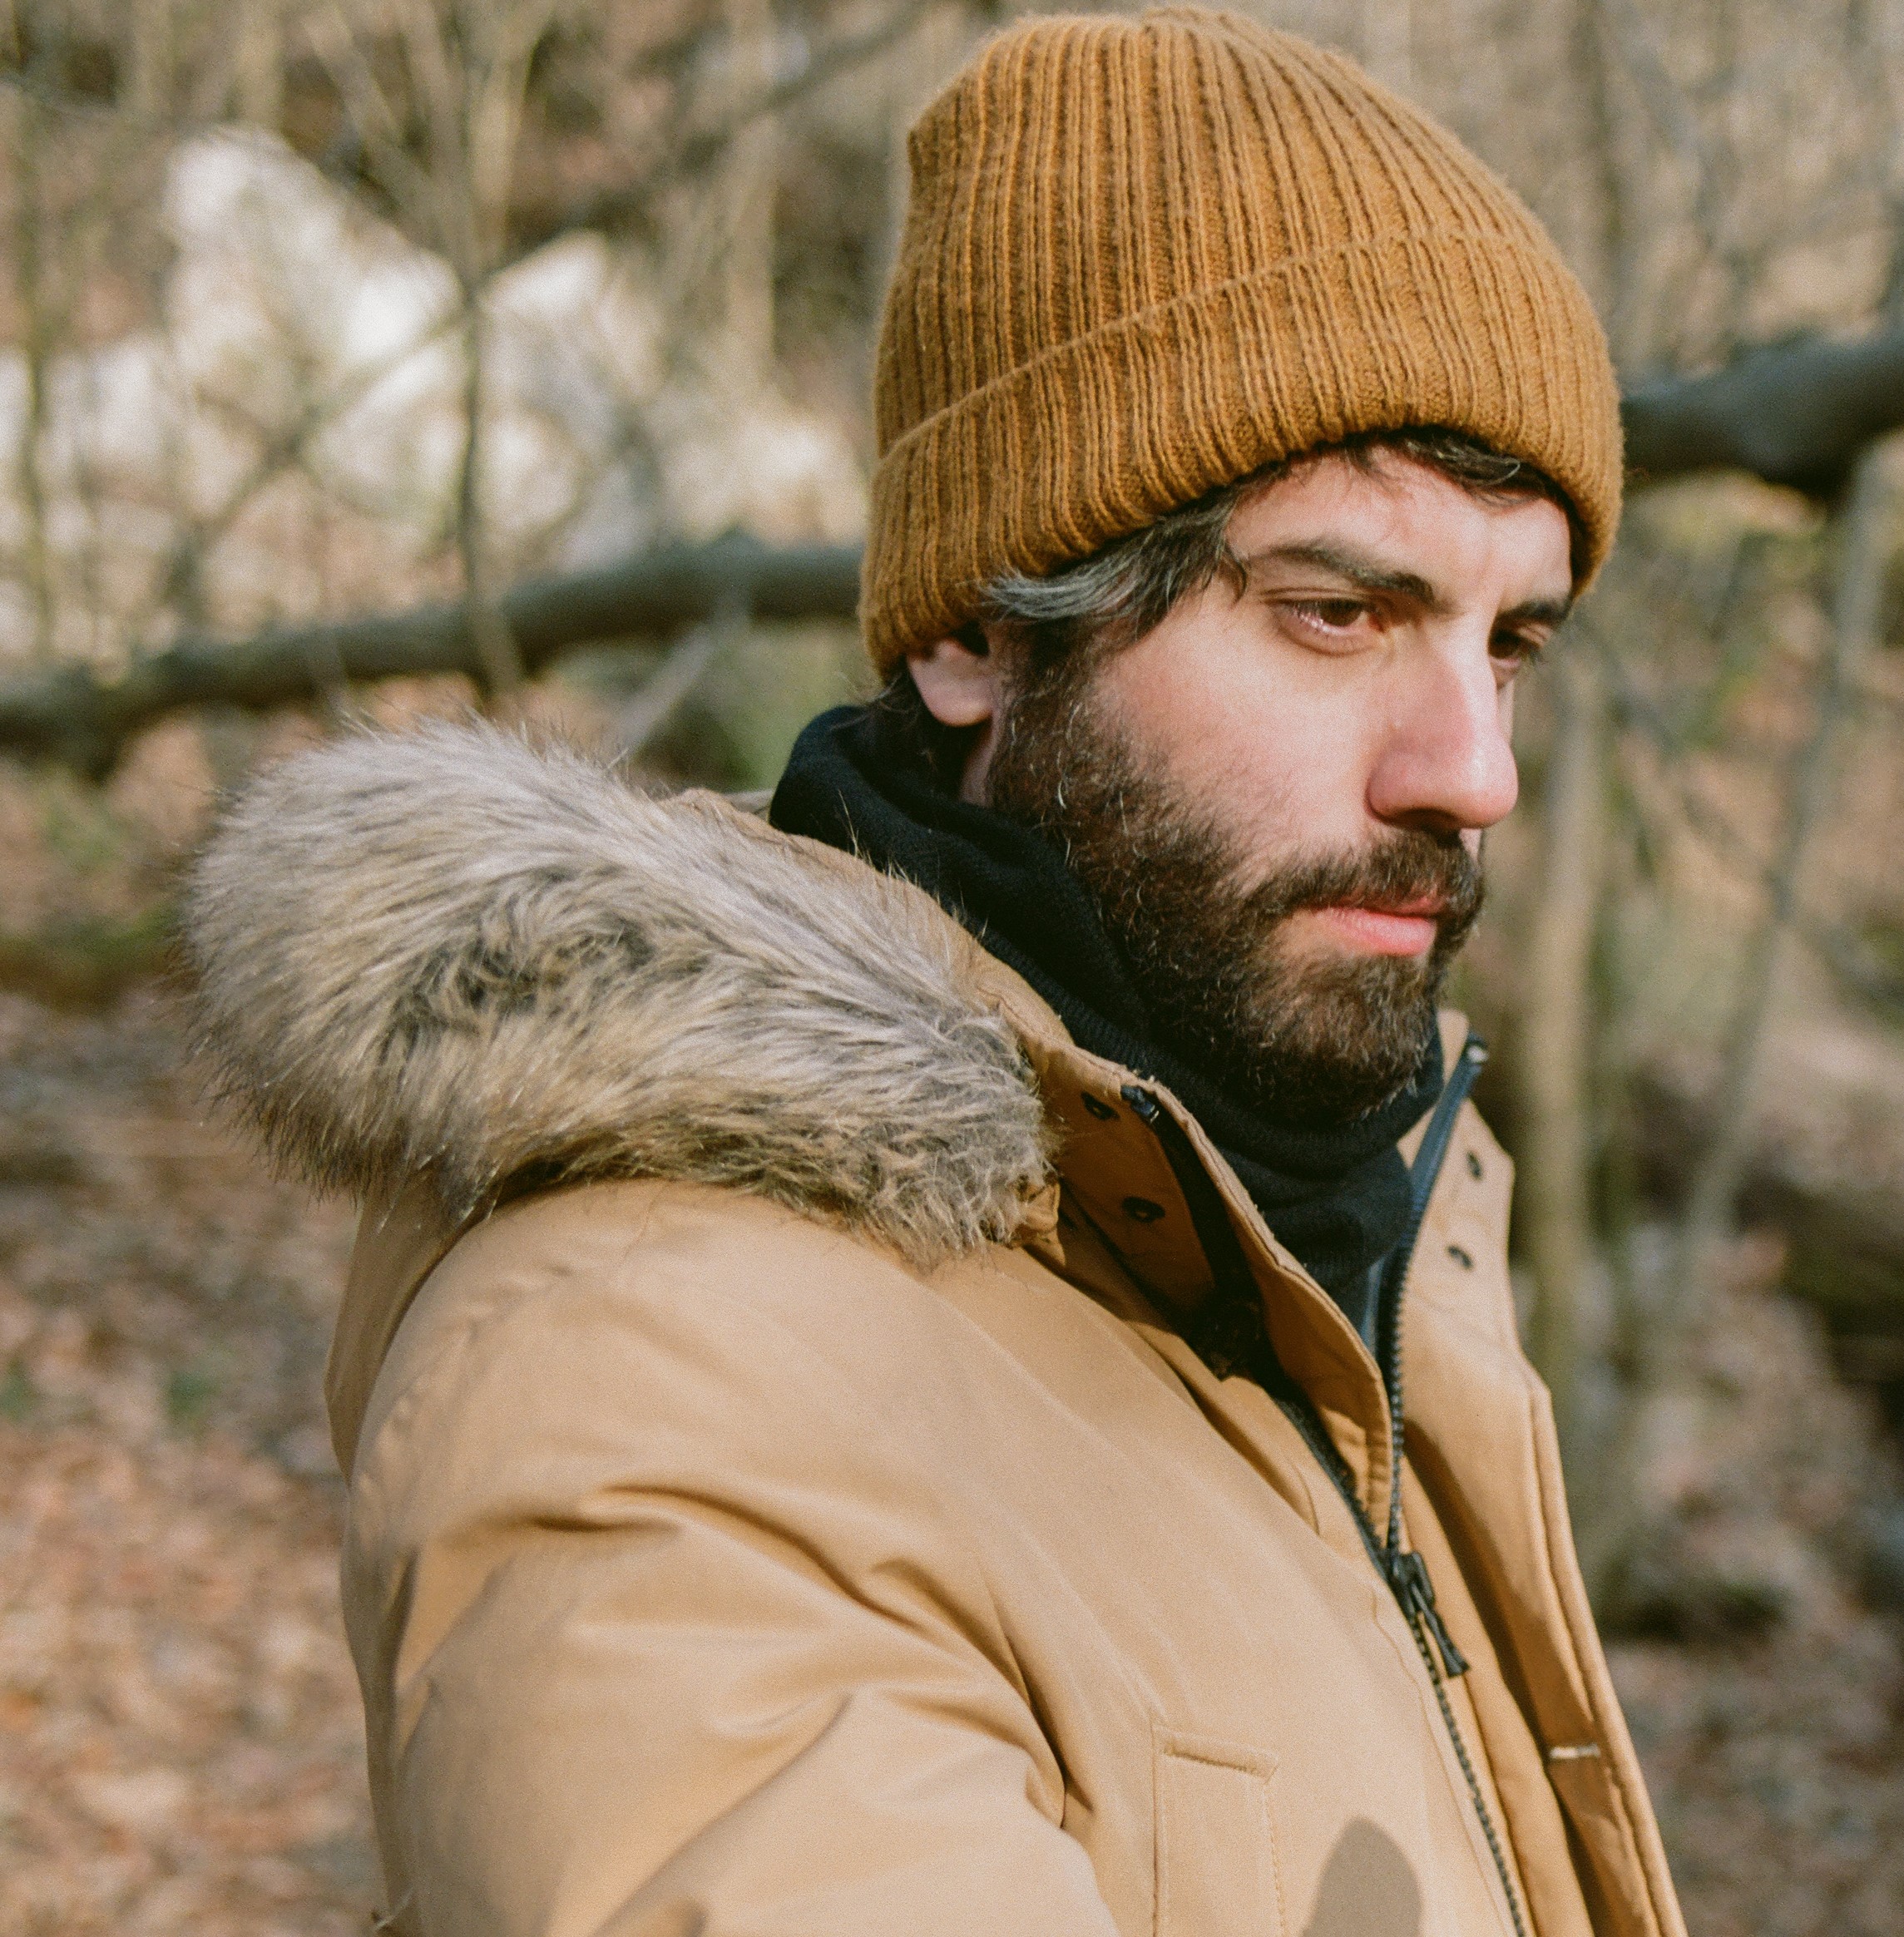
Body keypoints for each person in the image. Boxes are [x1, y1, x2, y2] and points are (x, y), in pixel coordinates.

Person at [181, 12, 1677, 1935]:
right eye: (1334, 612)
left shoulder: (1321, 1222)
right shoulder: (666, 1373)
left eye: (1510, 644)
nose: (1473, 769)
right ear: (980, 631)